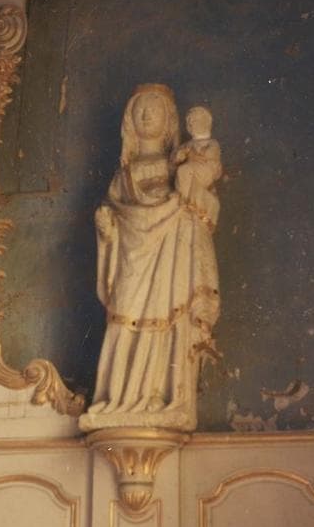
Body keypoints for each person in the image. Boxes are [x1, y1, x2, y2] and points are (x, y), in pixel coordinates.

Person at [79, 84, 221, 432]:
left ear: (169, 119)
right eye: (140, 108)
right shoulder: (122, 176)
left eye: (154, 108)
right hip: (131, 256)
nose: (146, 114)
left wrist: (181, 207)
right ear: (129, 119)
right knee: (123, 314)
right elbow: (115, 212)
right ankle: (119, 399)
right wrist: (107, 228)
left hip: (171, 253)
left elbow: (198, 202)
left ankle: (170, 400)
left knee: (171, 316)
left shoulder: (180, 163)